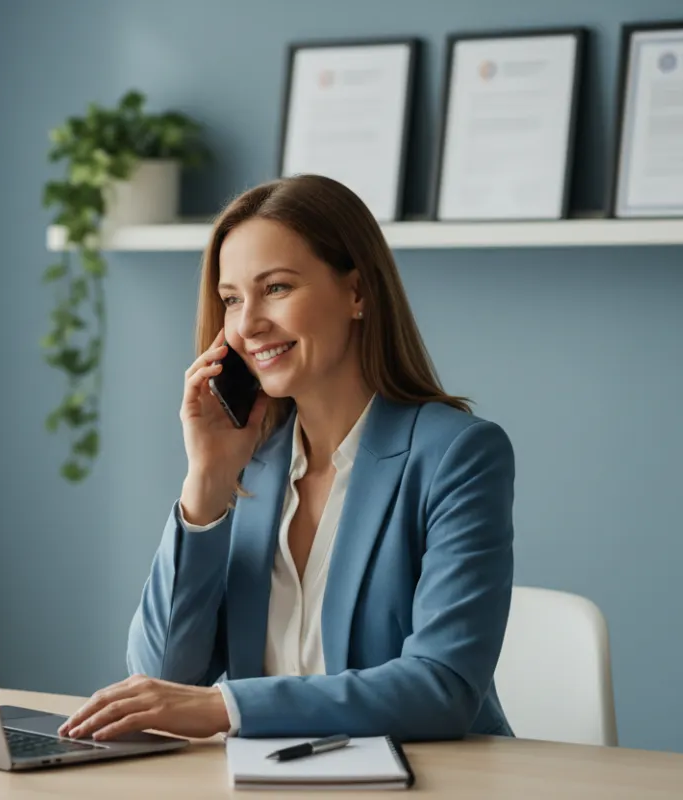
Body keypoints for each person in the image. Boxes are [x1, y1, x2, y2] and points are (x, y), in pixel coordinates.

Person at [58, 174, 515, 742]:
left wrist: (228, 707)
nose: (248, 324)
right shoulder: (251, 466)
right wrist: (206, 484)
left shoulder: (457, 455)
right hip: (270, 780)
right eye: (231, 299)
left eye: (275, 288)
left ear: (357, 292)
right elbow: (160, 676)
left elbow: (441, 689)